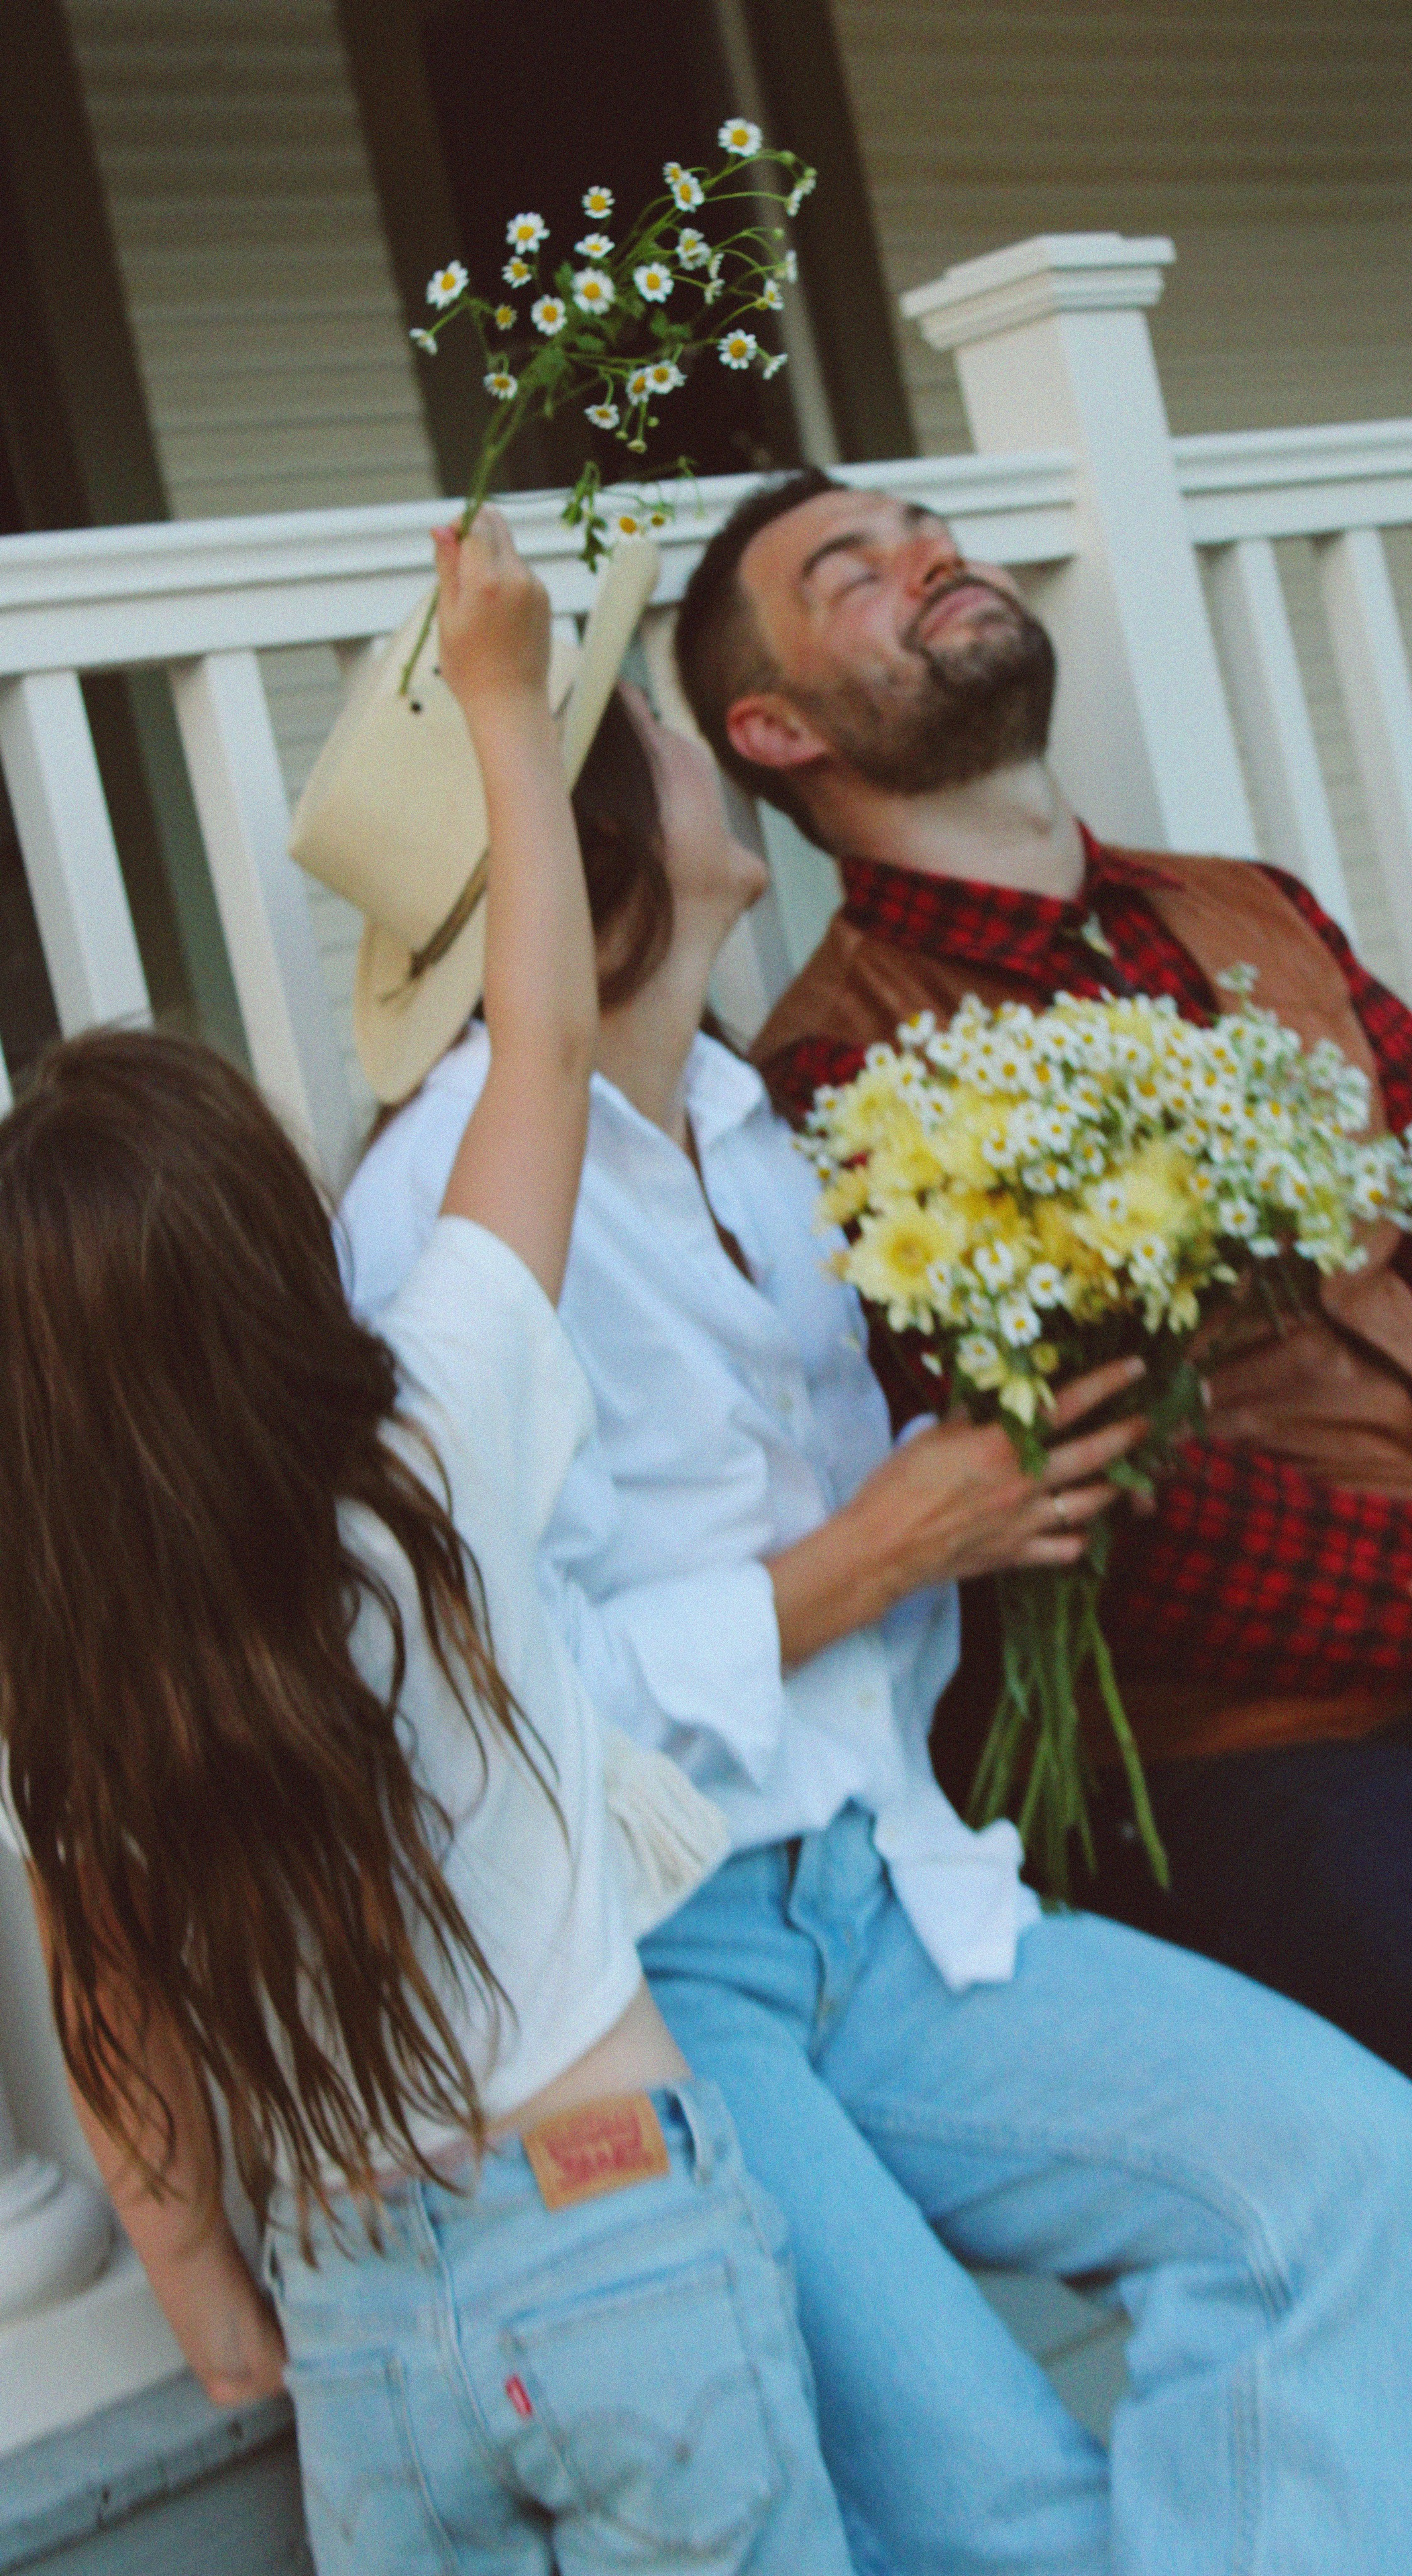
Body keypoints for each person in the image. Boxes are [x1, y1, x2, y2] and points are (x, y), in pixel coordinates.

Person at [342, 661, 1412, 2576]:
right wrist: (859, 1565)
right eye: (674, 744)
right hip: (653, 1976)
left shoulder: (777, 1134)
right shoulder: (441, 1216)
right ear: (602, 834)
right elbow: (469, 1705)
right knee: (1003, 2510)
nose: (717, 763)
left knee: (1346, 2168)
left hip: (893, 1889)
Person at [667, 462, 1412, 2470]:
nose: (930, 561)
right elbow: (1088, 1514)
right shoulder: (839, 1070)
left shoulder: (1248, 912)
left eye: (929, 530)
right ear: (772, 733)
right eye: (852, 574)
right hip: (1278, 1768)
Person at [0, 509, 855, 2576]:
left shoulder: (67, 1672)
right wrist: (498, 699)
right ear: (276, 1250)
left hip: (357, 2316)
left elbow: (111, 2025)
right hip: (610, 2224)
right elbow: (541, 1043)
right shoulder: (429, 1438)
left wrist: (205, 2299)